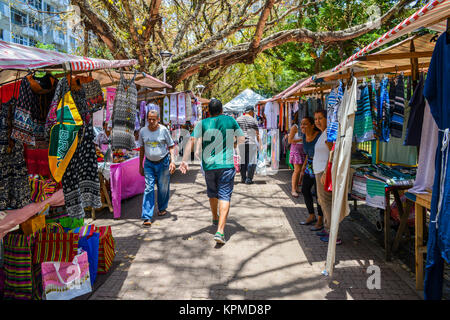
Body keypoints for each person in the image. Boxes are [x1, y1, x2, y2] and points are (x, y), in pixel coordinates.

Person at [180, 99, 244, 244]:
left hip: (209, 165)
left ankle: (215, 217)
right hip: (226, 164)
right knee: (225, 196)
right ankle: (220, 231)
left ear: (208, 111)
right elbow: (241, 139)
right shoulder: (230, 120)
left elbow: (191, 140)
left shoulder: (201, 123)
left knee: (212, 192)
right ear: (222, 110)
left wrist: (184, 160)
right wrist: (231, 143)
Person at [139, 110, 176, 227]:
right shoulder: (143, 131)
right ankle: (147, 216)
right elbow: (141, 148)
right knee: (149, 188)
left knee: (163, 187)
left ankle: (162, 208)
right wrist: (140, 165)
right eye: (149, 119)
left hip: (163, 162)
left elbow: (171, 146)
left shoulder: (163, 130)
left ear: (158, 119)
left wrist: (173, 161)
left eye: (153, 119)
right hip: (149, 163)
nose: (151, 121)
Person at [312, 110, 341, 244]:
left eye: (320, 118)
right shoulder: (324, 133)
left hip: (324, 172)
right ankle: (327, 227)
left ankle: (333, 234)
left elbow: (332, 153)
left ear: (327, 119)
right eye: (316, 119)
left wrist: (325, 172)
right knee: (322, 201)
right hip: (319, 171)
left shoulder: (329, 133)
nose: (317, 121)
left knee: (327, 201)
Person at [299, 116, 324, 230]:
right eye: (301, 124)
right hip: (309, 166)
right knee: (305, 190)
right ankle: (311, 215)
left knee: (318, 194)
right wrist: (303, 168)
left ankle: (320, 219)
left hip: (319, 165)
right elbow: (308, 154)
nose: (302, 126)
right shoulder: (304, 137)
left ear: (312, 125)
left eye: (305, 124)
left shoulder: (319, 136)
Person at [236, 105, 262, 184]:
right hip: (251, 142)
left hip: (241, 142)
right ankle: (249, 179)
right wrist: (260, 144)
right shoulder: (253, 120)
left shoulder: (238, 119)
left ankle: (243, 178)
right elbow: (257, 134)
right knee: (251, 161)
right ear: (251, 112)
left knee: (242, 161)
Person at [288, 111, 305, 197]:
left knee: (300, 170)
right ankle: (293, 189)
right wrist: (301, 140)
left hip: (302, 149)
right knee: (297, 170)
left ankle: (297, 187)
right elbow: (290, 140)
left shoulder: (303, 126)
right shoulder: (295, 127)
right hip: (296, 149)